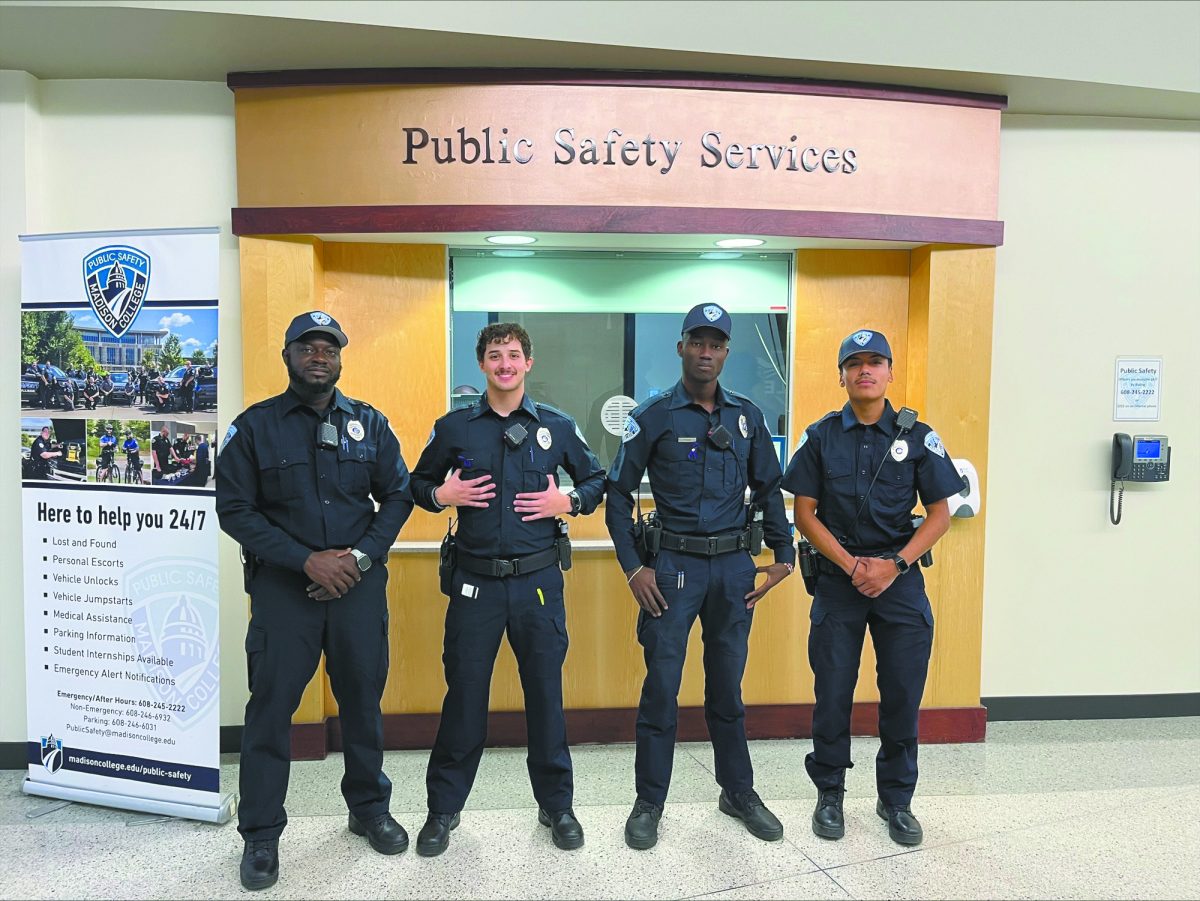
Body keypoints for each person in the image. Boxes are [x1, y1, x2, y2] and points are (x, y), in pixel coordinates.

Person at [216, 311, 414, 891]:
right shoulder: (254, 428)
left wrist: (360, 558)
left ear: (340, 358)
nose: (319, 355)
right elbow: (235, 509)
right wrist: (306, 560)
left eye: (329, 347)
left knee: (362, 702)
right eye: (308, 346)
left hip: (356, 589)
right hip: (284, 593)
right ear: (288, 355)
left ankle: (369, 809)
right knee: (272, 710)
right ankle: (260, 834)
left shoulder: (369, 424)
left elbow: (399, 495)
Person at [409, 322, 606, 857]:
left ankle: (557, 807)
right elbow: (414, 484)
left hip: (539, 584)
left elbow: (596, 481)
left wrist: (568, 502)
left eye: (514, 355)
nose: (505, 364)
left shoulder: (557, 427)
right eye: (495, 355)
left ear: (528, 364)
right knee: (465, 698)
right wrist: (441, 493)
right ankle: (443, 811)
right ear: (481, 364)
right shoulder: (454, 428)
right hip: (474, 585)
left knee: (546, 697)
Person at [605, 302, 795, 850]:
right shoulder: (655, 414)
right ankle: (650, 801)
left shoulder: (747, 417)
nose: (706, 352)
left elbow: (768, 489)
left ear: (726, 352)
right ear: (682, 346)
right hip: (674, 569)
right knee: (662, 688)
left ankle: (737, 792)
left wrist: (783, 555)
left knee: (727, 689)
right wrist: (633, 568)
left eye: (717, 344)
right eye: (698, 342)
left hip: (734, 568)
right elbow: (617, 495)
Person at [782, 329, 964, 848]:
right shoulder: (820, 437)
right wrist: (852, 564)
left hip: (900, 584)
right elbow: (804, 513)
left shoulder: (917, 436)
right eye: (854, 363)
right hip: (839, 585)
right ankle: (830, 793)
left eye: (875, 362)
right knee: (832, 693)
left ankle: (897, 799)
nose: (865, 370)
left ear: (889, 372)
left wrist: (893, 565)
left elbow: (939, 514)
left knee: (903, 695)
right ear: (840, 375)